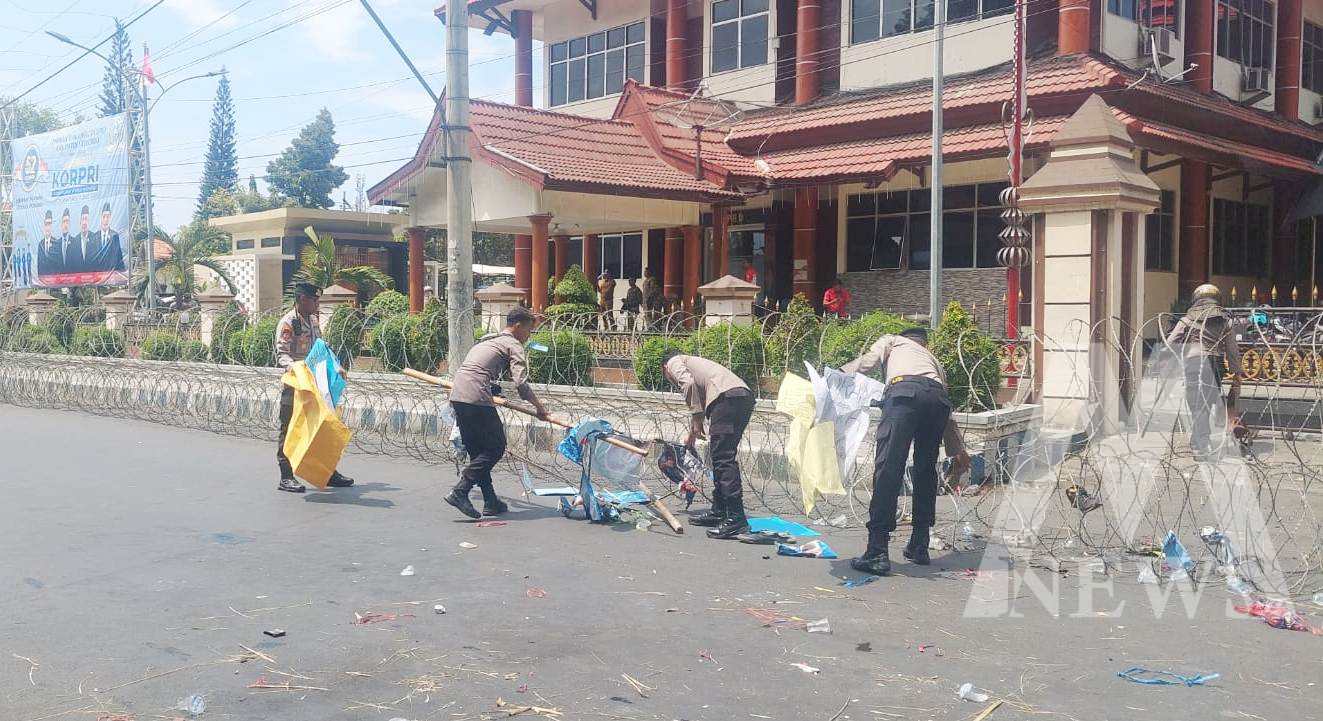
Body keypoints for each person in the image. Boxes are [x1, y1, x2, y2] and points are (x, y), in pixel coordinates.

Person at [841, 326, 972, 576]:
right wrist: (959, 451)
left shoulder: (892, 340)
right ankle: (919, 545)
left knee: (889, 468)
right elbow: (947, 412)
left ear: (903, 338)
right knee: (925, 471)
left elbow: (869, 360)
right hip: (937, 403)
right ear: (925, 344)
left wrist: (837, 374)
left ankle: (877, 550)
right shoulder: (933, 362)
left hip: (904, 396)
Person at [445, 306, 549, 519]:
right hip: (476, 397)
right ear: (518, 326)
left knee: (477, 451)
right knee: (495, 447)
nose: (529, 336)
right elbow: (521, 384)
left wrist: (533, 320)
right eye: (529, 331)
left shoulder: (489, 339)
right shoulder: (513, 345)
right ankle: (460, 490)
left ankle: (490, 501)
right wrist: (540, 408)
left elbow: (478, 368)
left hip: (457, 395)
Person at [661, 352, 755, 539]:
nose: (671, 380)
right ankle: (720, 511)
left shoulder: (673, 362)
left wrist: (696, 420)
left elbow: (687, 385)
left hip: (727, 398)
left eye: (667, 377)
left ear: (665, 370)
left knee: (723, 458)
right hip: (739, 396)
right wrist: (692, 435)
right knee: (720, 455)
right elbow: (700, 405)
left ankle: (736, 519)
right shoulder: (697, 369)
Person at [275, 283, 355, 493]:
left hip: (316, 385)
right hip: (296, 385)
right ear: (302, 299)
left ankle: (327, 472)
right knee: (290, 428)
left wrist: (336, 367)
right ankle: (286, 476)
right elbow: (281, 355)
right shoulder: (288, 322)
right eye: (314, 300)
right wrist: (297, 368)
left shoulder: (312, 320)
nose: (317, 304)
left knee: (322, 428)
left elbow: (321, 349)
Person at [1164, 283, 1242, 460]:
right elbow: (1232, 351)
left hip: (1193, 364)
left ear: (1196, 300)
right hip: (1214, 365)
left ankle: (1201, 445)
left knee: (1197, 405)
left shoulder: (1187, 320)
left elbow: (1170, 344)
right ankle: (1198, 440)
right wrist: (1237, 373)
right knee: (1204, 404)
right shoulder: (1225, 321)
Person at [90, 202, 124, 272]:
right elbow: (91, 259)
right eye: (104, 216)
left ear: (110, 218)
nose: (106, 220)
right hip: (97, 275)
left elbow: (119, 257)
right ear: (100, 218)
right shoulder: (94, 237)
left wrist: (122, 272)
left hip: (111, 275)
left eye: (108, 217)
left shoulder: (114, 235)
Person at [38, 210, 61, 277]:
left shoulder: (56, 243)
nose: (47, 227)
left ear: (52, 226)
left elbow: (58, 264)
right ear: (44, 226)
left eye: (49, 224)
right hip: (43, 280)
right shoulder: (40, 244)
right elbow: (39, 265)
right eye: (46, 224)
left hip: (54, 279)